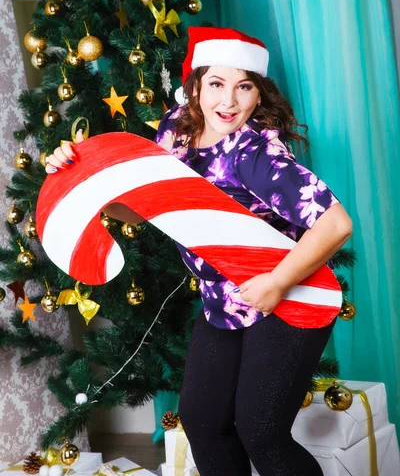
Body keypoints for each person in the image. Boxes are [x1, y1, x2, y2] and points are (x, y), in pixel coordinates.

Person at [46, 26, 352, 476]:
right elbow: (144, 211)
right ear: (194, 86)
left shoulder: (257, 155)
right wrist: (77, 176)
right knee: (203, 422)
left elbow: (336, 224)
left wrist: (277, 282)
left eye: (244, 87)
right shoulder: (177, 133)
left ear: (259, 94)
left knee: (262, 432)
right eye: (217, 84)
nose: (229, 102)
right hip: (224, 303)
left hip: (289, 301)